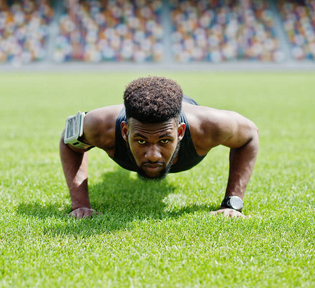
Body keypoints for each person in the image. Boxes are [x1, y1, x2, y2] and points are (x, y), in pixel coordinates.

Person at [60, 76, 259, 219]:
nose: (153, 155)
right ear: (124, 131)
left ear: (180, 132)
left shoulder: (209, 127)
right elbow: (69, 142)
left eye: (164, 140)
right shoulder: (99, 126)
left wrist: (233, 203)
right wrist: (80, 205)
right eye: (141, 141)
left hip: (186, 107)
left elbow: (250, 135)